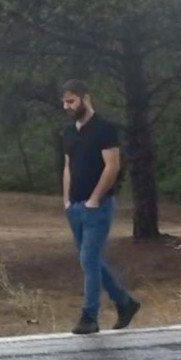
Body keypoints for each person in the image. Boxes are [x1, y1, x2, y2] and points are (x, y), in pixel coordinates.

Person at [60, 80, 140, 335]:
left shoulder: (105, 129)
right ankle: (125, 303)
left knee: (88, 259)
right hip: (75, 207)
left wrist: (95, 199)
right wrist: (67, 200)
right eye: (64, 102)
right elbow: (67, 167)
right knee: (90, 261)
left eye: (71, 100)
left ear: (85, 98)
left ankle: (89, 317)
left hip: (99, 207)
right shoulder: (69, 132)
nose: (67, 106)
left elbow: (112, 166)